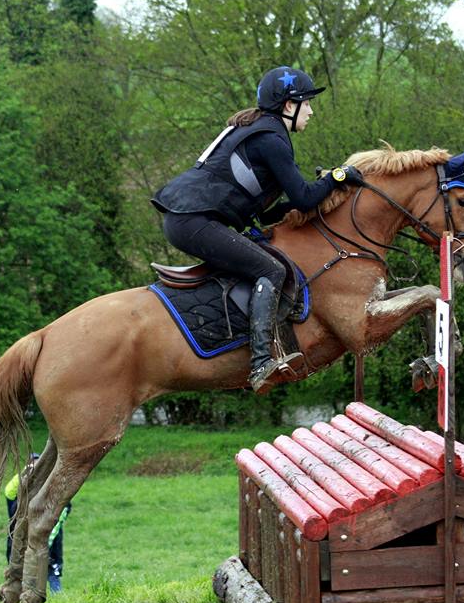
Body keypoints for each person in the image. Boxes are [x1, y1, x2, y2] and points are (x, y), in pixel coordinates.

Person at [151, 66, 364, 393]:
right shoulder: (271, 138)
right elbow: (304, 197)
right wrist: (336, 177)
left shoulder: (262, 131)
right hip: (194, 220)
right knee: (272, 269)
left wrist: (323, 192)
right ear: (288, 106)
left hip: (189, 219)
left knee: (262, 262)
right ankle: (261, 361)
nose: (312, 110)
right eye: (306, 103)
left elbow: (269, 214)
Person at [5, 453, 72, 594]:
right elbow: (9, 493)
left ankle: (56, 600)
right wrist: (25, 474)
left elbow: (59, 517)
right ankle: (25, 598)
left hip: (48, 545)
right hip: (22, 545)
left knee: (52, 574)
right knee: (23, 575)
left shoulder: (54, 491)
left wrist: (43, 542)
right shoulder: (19, 498)